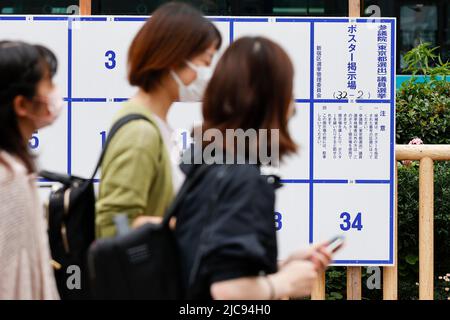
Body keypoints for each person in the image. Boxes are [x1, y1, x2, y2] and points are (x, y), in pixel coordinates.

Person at [175, 37, 333, 300]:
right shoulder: (244, 179)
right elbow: (227, 292)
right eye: (287, 90)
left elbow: (210, 268)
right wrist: (283, 285)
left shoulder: (203, 160)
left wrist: (285, 266)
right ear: (272, 101)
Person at [95, 2, 222, 238]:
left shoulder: (156, 125)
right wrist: (189, 226)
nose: (208, 74)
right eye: (205, 62)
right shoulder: (140, 133)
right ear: (174, 60)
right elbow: (114, 224)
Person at [0, 41, 61, 299]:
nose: (55, 92)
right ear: (21, 105)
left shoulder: (15, 169)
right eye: (48, 82)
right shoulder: (8, 179)